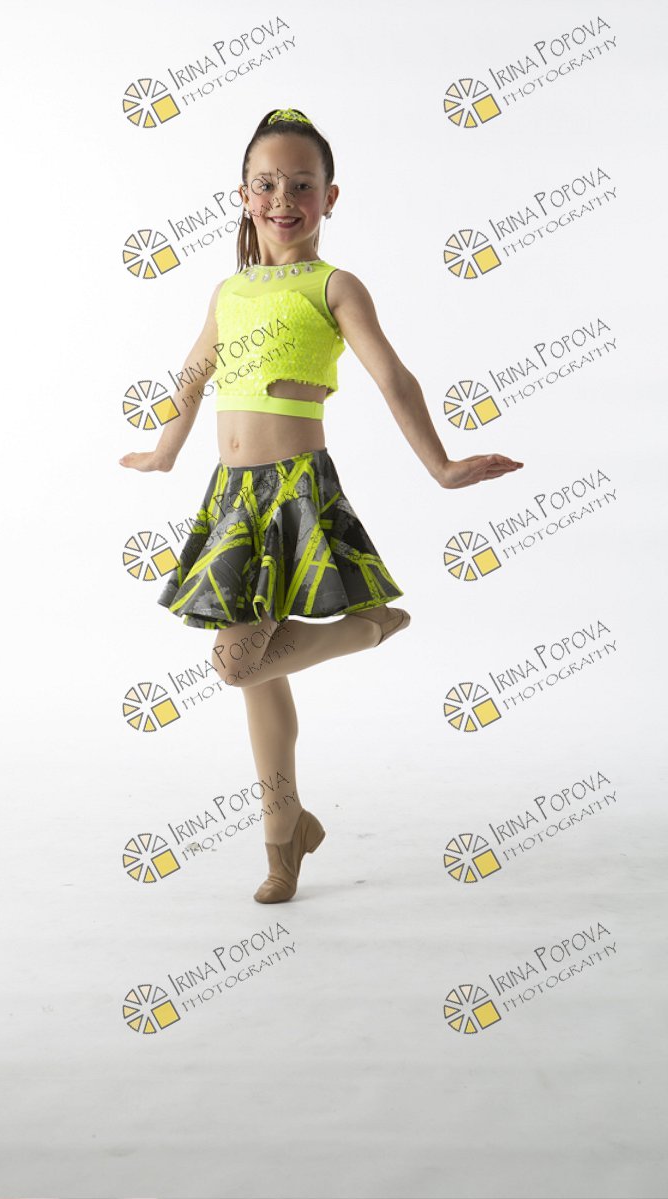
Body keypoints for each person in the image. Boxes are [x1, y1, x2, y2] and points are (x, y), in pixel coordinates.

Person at [119, 106, 523, 905]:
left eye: (302, 185)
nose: (283, 199)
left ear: (329, 197)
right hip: (231, 501)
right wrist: (166, 450)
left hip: (295, 493)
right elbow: (194, 376)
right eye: (267, 184)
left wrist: (442, 466)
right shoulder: (229, 291)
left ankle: (367, 626)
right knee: (256, 678)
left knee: (238, 662)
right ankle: (286, 837)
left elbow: (393, 376)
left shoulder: (333, 285)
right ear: (243, 195)